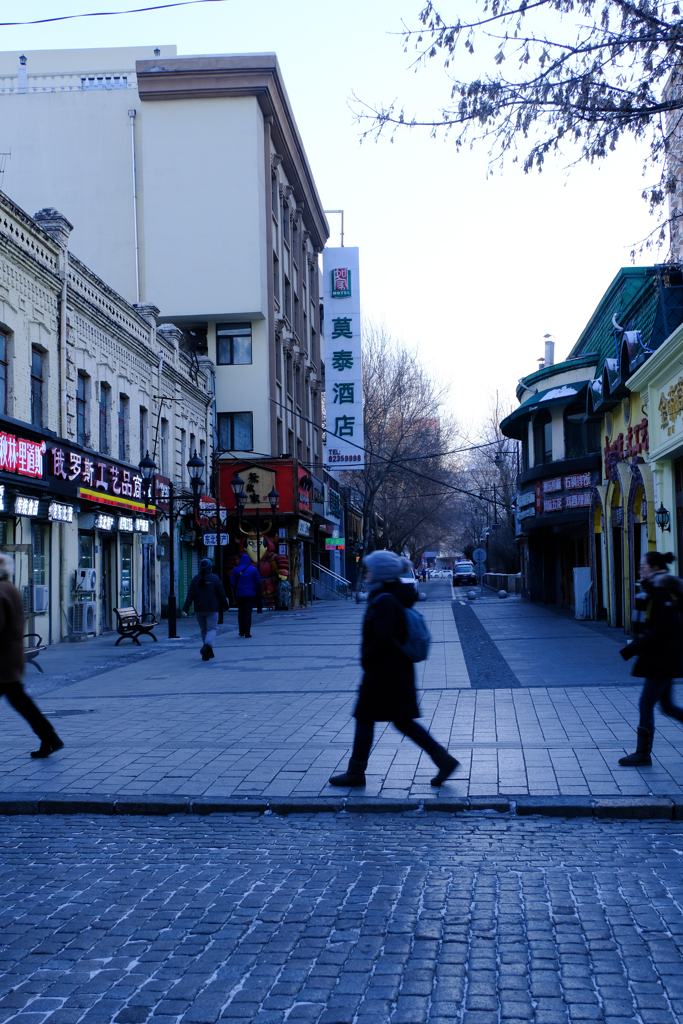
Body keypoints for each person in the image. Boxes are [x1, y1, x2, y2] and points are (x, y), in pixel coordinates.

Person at [329, 549, 459, 788]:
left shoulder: (385, 600)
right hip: (393, 672)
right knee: (400, 721)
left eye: (369, 571)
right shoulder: (388, 596)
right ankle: (443, 760)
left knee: (368, 718)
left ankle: (356, 772)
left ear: (380, 573)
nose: (366, 575)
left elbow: (383, 637)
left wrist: (367, 657)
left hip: (384, 674)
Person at [619, 550, 683, 766]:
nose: (640, 570)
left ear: (655, 568)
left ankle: (643, 754)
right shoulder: (656, 590)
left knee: (646, 703)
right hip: (662, 658)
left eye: (643, 566)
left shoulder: (662, 592)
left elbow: (664, 629)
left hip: (663, 660)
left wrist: (634, 647)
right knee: (668, 706)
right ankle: (643, 753)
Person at [0, 553, 64, 758]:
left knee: (22, 703)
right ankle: (50, 738)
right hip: (11, 657)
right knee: (22, 703)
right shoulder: (10, 589)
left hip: (2, 661)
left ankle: (50, 738)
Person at [182, 557, 228, 660]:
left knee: (203, 630)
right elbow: (221, 594)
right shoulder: (215, 578)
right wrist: (226, 606)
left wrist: (185, 608)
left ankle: (207, 651)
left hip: (199, 609)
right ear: (210, 567)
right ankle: (207, 646)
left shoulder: (195, 579)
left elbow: (190, 595)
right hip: (212, 608)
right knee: (212, 629)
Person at [230, 553, 262, 638]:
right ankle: (247, 632)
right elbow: (258, 581)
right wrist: (254, 591)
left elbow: (232, 581)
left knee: (241, 613)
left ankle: (241, 631)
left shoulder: (236, 569)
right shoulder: (253, 569)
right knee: (248, 613)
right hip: (250, 594)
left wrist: (236, 590)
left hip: (240, 594)